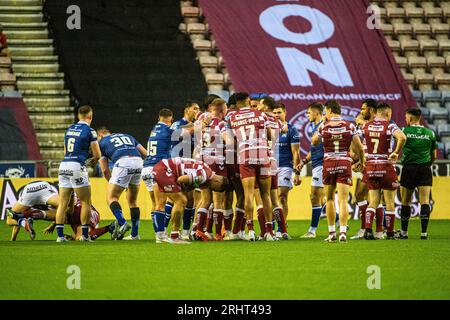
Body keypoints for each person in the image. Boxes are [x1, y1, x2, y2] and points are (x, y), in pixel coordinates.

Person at [312, 100, 365, 243]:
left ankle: (331, 234)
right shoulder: (350, 126)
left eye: (325, 112)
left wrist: (321, 124)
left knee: (329, 199)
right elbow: (359, 147)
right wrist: (362, 162)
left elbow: (314, 142)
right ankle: (342, 232)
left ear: (329, 110)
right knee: (343, 200)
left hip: (328, 163)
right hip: (344, 163)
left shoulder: (324, 126)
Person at [226, 92, 273, 241]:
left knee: (248, 194)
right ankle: (270, 233)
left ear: (236, 103)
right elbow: (271, 135)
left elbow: (230, 142)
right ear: (248, 101)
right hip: (263, 155)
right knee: (266, 195)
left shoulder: (231, 117)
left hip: (245, 156)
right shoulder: (261, 115)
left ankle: (251, 230)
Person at [151, 157, 228, 244]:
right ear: (217, 181)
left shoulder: (207, 170)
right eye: (215, 188)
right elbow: (181, 179)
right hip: (165, 170)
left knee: (160, 203)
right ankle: (174, 237)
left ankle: (160, 236)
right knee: (181, 201)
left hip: (160, 167)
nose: (212, 189)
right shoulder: (204, 176)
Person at [361, 103, 406, 240]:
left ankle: (368, 230)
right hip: (385, 166)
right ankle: (390, 233)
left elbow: (356, 140)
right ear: (387, 113)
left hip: (370, 166)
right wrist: (396, 152)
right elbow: (402, 137)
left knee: (373, 201)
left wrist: (362, 159)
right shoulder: (389, 125)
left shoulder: (366, 125)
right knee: (390, 202)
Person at [56, 105, 101, 242]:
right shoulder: (90, 131)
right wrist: (91, 162)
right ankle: (85, 235)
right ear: (90, 116)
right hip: (77, 166)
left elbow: (65, 152)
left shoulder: (69, 130)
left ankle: (60, 236)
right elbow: (97, 154)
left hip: (64, 166)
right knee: (86, 201)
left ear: (78, 116)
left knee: (63, 203)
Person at [97, 128, 147, 240]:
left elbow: (105, 170)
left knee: (111, 197)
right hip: (139, 162)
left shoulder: (101, 143)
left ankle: (122, 222)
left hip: (123, 163)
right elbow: (145, 153)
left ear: (100, 135)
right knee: (133, 201)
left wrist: (113, 183)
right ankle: (135, 235)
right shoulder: (128, 136)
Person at [398, 108, 437, 240]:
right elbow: (434, 155)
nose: (405, 120)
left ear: (409, 119)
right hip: (424, 169)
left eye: (406, 118)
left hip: (409, 169)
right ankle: (424, 233)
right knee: (424, 201)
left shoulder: (404, 131)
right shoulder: (430, 133)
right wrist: (427, 164)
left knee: (405, 201)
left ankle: (404, 232)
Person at [194, 98, 230, 241]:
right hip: (217, 162)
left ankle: (200, 231)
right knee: (218, 200)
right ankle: (216, 233)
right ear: (222, 110)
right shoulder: (222, 124)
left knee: (205, 199)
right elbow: (229, 142)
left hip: (203, 163)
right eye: (226, 108)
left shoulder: (201, 122)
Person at [350, 99, 382, 240]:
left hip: (378, 165)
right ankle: (372, 230)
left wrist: (363, 124)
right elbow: (360, 144)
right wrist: (359, 161)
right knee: (364, 195)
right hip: (367, 164)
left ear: (371, 110)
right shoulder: (363, 126)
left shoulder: (382, 123)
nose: (361, 112)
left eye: (363, 109)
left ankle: (375, 230)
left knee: (371, 197)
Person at [142, 109, 174, 243]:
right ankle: (161, 235)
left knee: (155, 203)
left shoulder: (154, 130)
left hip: (146, 168)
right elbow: (185, 131)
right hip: (157, 168)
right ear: (170, 119)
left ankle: (159, 233)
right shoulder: (168, 129)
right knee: (161, 203)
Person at [273, 103, 301, 237]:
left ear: (285, 113)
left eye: (279, 112)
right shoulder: (269, 129)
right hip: (270, 167)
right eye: (274, 113)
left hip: (285, 166)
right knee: (270, 198)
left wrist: (297, 173)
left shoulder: (292, 129)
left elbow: (296, 153)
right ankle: (270, 228)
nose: (276, 115)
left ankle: (281, 229)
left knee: (282, 197)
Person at [299, 102, 326, 238]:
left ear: (316, 112)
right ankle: (339, 222)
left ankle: (312, 231)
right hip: (316, 163)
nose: (307, 115)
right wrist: (304, 161)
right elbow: (313, 148)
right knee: (320, 198)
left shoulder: (322, 125)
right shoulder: (316, 126)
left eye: (309, 112)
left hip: (322, 163)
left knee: (315, 197)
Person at [43, 193, 115, 241]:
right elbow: (62, 211)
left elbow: (64, 210)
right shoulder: (63, 194)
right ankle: (111, 227)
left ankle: (110, 227)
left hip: (88, 213)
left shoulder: (70, 193)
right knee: (78, 238)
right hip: (74, 216)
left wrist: (52, 225)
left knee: (84, 237)